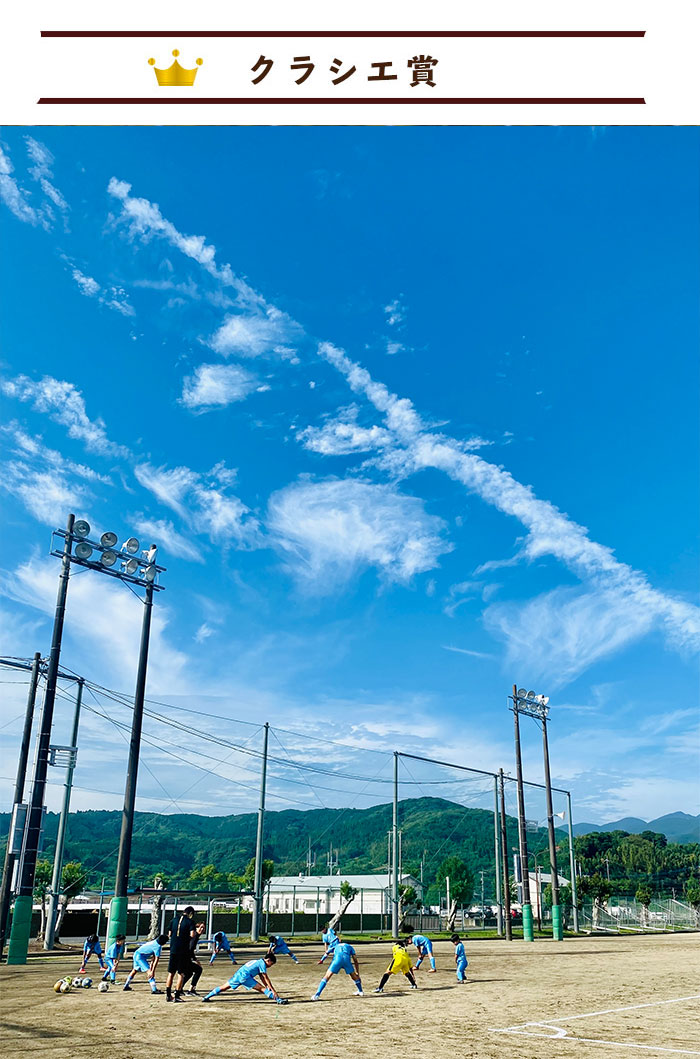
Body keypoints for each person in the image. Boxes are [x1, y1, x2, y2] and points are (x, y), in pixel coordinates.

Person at [202, 952, 288, 1004]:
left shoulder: (257, 961)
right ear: (268, 960)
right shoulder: (262, 964)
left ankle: (206, 997)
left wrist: (267, 985)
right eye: (271, 964)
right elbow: (265, 977)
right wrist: (273, 990)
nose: (270, 966)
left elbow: (261, 976)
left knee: (223, 987)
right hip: (245, 976)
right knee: (261, 989)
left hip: (239, 974)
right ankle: (278, 1000)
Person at [165, 905, 197, 1002]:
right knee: (181, 974)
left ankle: (168, 995)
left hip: (173, 949)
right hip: (182, 950)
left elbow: (169, 934)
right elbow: (192, 934)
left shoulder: (174, 920)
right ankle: (177, 995)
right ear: (190, 914)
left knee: (171, 973)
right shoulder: (190, 922)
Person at [183, 922, 206, 995]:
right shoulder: (195, 936)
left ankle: (179, 988)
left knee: (189, 973)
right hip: (184, 957)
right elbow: (190, 949)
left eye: (203, 928)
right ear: (196, 928)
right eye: (200, 927)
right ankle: (191, 990)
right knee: (198, 970)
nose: (202, 929)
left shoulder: (195, 936)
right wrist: (195, 960)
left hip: (184, 957)